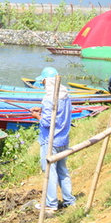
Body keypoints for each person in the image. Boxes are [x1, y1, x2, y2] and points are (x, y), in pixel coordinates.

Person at [30, 66, 76, 213]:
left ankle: (51, 203)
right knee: (62, 170)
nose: (43, 86)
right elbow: (59, 114)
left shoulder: (49, 99)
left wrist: (37, 116)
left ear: (47, 82)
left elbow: (47, 123)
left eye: (43, 83)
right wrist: (42, 111)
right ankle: (69, 200)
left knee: (49, 171)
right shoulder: (65, 96)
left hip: (50, 141)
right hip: (63, 138)